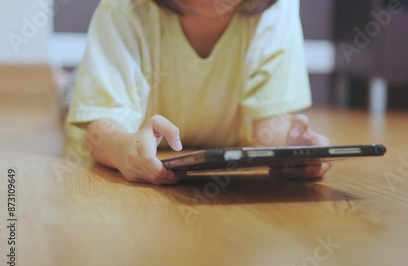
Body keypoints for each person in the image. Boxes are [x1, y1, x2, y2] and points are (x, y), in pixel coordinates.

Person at [65, 0, 331, 185]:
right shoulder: (123, 10)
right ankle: (66, 83)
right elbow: (100, 127)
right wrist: (127, 150)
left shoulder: (276, 10)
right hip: (121, 110)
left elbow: (269, 124)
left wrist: (292, 148)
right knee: (70, 96)